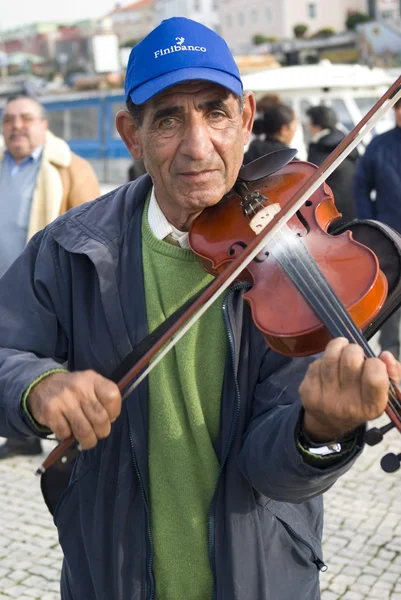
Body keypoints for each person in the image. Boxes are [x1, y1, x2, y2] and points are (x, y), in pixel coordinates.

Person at [0, 17, 398, 600]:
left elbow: (272, 471)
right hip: (109, 578)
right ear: (131, 136)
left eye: (215, 112)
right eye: (167, 119)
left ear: (245, 118)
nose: (197, 145)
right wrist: (37, 386)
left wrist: (321, 431)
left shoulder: (299, 271)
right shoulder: (70, 248)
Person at [0, 94, 100, 459]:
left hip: (48, 290)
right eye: (9, 119)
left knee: (58, 366)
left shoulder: (71, 168)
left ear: (44, 124)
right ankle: (22, 434)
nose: (17, 126)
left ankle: (73, 439)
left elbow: (94, 235)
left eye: (26, 118)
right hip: (3, 288)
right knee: (13, 362)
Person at [353, 97, 401, 360]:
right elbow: (361, 187)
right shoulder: (380, 145)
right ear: (395, 111)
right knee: (391, 301)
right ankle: (391, 357)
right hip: (391, 237)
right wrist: (372, 226)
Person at [307, 105, 358, 229]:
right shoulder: (346, 142)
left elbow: (312, 178)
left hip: (331, 212)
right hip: (352, 208)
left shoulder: (320, 148)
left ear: (316, 125)